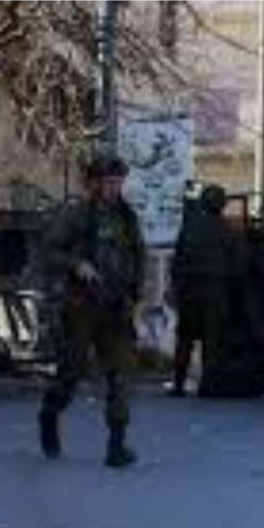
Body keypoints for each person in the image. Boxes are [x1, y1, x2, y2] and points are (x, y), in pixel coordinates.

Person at [37, 149, 145, 468]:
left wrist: (137, 294)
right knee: (71, 371)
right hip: (81, 305)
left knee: (121, 375)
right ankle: (50, 414)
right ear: (94, 183)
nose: (113, 188)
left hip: (116, 306)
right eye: (107, 182)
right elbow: (49, 251)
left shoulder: (127, 217)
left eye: (117, 182)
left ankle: (116, 445)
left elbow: (137, 257)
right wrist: (76, 264)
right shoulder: (77, 215)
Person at [167, 184, 233, 397]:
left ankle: (179, 384)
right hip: (214, 292)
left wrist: (175, 287)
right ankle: (207, 386)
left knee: (185, 339)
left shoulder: (190, 227)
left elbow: (177, 260)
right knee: (212, 341)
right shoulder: (225, 229)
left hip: (189, 291)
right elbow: (238, 263)